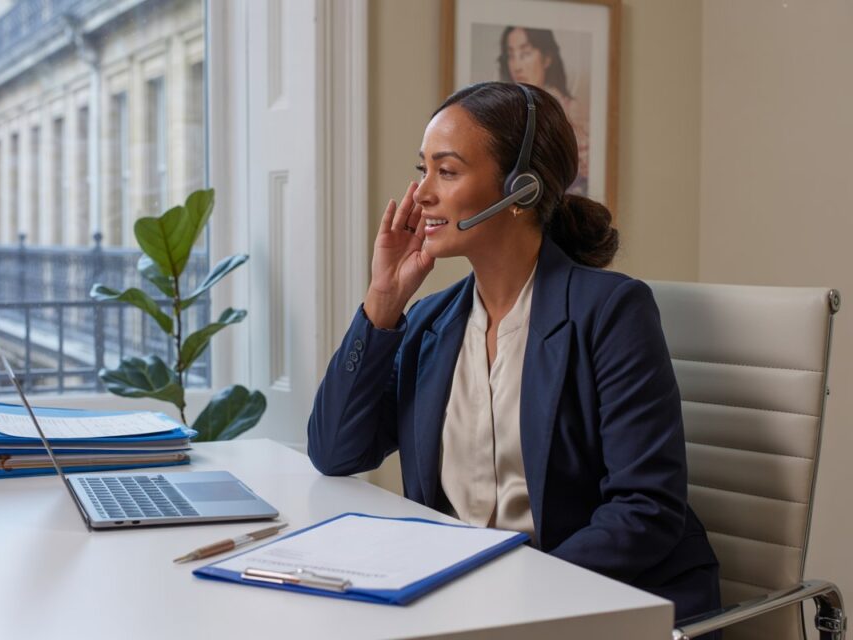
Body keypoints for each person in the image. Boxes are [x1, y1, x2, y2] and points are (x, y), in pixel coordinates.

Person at [307, 82, 721, 630]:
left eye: (447, 171)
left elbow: (646, 511)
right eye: (422, 169)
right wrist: (383, 302)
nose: (421, 193)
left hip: (591, 600)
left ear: (520, 188)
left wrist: (511, 589)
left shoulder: (611, 310)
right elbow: (336, 451)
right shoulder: (431, 320)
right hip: (470, 605)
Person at [499, 26, 589, 195]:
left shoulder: (572, 113)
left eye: (525, 54)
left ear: (547, 59)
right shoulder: (505, 115)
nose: (516, 66)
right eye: (511, 56)